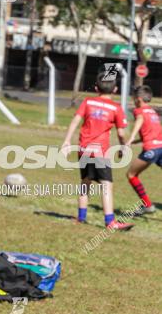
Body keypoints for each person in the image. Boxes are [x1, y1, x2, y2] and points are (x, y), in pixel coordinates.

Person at [62, 72, 133, 230]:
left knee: (85, 182)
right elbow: (121, 133)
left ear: (96, 88)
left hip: (84, 149)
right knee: (106, 185)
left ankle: (81, 218)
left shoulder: (87, 102)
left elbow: (75, 121)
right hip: (100, 152)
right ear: (115, 89)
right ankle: (110, 222)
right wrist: (124, 147)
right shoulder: (116, 108)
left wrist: (67, 141)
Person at [125, 85, 162, 215]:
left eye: (134, 98)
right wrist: (136, 141)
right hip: (160, 148)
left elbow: (140, 120)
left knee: (131, 174)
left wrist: (130, 139)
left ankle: (147, 205)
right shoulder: (153, 112)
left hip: (151, 150)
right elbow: (151, 132)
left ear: (138, 99)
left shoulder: (139, 111)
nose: (133, 100)